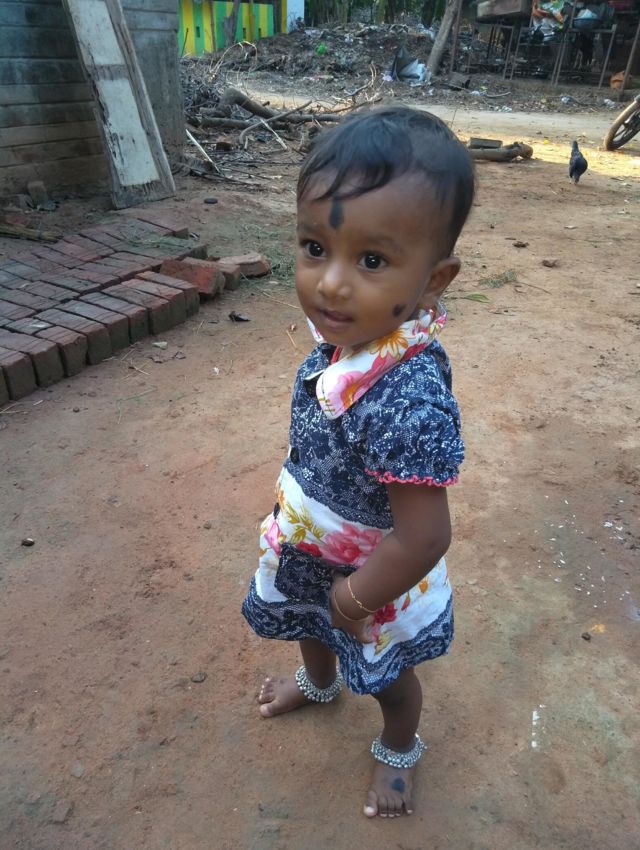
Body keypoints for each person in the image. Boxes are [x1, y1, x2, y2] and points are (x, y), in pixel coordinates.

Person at [242, 106, 475, 819]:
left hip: (374, 576)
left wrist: (357, 598)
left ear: (433, 280)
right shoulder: (349, 343)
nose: (332, 284)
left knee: (387, 675)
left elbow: (425, 536)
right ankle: (318, 685)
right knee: (308, 623)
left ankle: (399, 747)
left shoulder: (407, 398)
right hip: (312, 543)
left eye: (371, 261)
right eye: (316, 247)